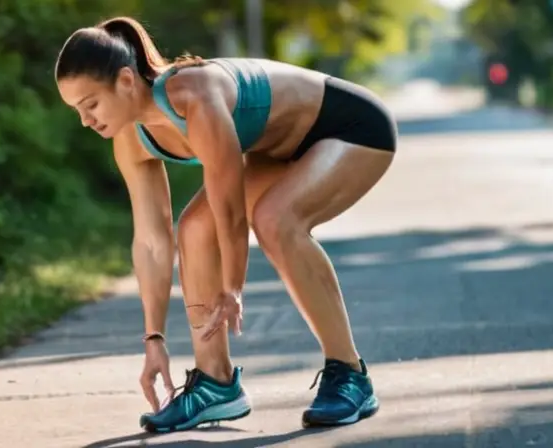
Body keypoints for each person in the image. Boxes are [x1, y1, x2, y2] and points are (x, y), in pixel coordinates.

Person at [54, 16, 397, 433]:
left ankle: (350, 374)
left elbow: (230, 211)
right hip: (277, 148)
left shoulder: (192, 94)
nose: (85, 121)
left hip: (351, 127)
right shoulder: (131, 138)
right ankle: (216, 383)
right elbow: (150, 241)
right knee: (192, 230)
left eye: (90, 104)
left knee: (275, 220)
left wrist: (233, 287)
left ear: (126, 81)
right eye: (76, 111)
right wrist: (153, 340)